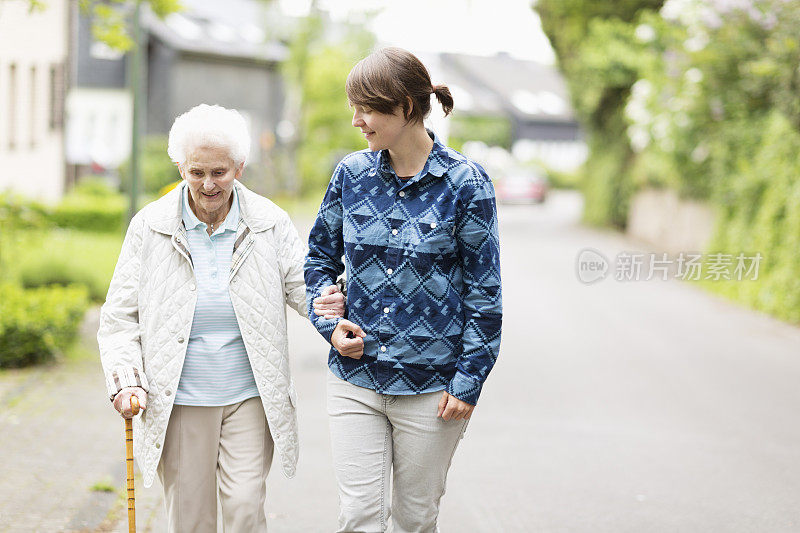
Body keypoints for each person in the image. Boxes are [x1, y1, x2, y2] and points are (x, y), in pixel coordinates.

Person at [98, 103, 344, 532]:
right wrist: (127, 380)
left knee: (246, 508)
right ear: (180, 167)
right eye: (196, 173)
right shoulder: (150, 226)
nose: (208, 184)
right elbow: (120, 316)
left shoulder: (269, 222)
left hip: (249, 395)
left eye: (220, 172)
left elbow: (305, 287)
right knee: (190, 518)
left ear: (240, 168)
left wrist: (336, 303)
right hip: (181, 398)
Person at [305, 47, 503, 533]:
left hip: (433, 390)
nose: (356, 121)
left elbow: (485, 292)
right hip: (356, 377)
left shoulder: (465, 185)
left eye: (366, 109)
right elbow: (318, 261)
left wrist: (469, 380)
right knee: (359, 515)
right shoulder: (351, 175)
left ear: (406, 109)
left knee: (414, 519)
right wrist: (326, 317)